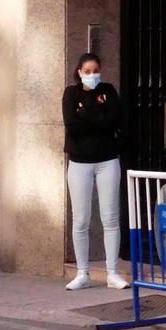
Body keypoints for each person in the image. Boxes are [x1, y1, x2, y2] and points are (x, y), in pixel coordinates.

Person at [62, 53, 127, 291]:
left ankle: (112, 272)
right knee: (81, 220)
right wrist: (97, 118)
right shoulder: (71, 93)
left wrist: (86, 115)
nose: (92, 75)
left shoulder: (108, 90)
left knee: (110, 217)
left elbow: (115, 120)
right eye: (87, 71)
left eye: (95, 70)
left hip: (107, 160)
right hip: (79, 162)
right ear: (79, 71)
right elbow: (71, 124)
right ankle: (82, 272)